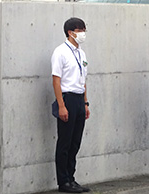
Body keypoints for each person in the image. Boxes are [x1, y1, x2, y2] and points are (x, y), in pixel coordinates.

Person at [51, 17, 91, 193]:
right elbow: (56, 81)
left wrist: (86, 102)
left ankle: (72, 178)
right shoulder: (60, 52)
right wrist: (61, 105)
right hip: (67, 98)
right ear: (70, 32)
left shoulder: (81, 53)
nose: (82, 33)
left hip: (79, 99)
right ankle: (63, 181)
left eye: (84, 29)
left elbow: (83, 80)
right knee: (65, 143)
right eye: (79, 29)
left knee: (75, 142)